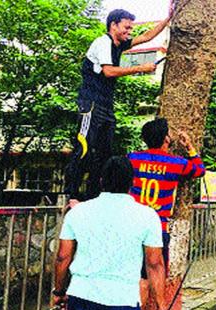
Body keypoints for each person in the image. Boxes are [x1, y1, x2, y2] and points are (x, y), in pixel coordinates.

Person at [65, 8, 172, 201]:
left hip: (106, 105)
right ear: (113, 25)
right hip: (91, 104)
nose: (129, 31)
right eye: (126, 27)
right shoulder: (103, 42)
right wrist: (141, 68)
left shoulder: (118, 45)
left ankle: (94, 195)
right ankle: (71, 194)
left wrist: (168, 18)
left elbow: (147, 36)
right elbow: (109, 72)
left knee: (105, 152)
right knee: (85, 148)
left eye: (131, 27)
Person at [53, 156, 168, 310]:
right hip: (123, 299)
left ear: (101, 181)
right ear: (132, 183)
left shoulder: (77, 212)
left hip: (82, 295)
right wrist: (161, 306)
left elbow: (62, 256)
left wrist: (59, 292)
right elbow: (154, 264)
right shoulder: (148, 216)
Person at [127, 118, 206, 306]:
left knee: (135, 276)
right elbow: (200, 170)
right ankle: (160, 309)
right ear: (166, 139)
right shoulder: (176, 163)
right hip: (158, 227)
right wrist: (190, 148)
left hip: (132, 226)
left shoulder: (133, 159)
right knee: (151, 274)